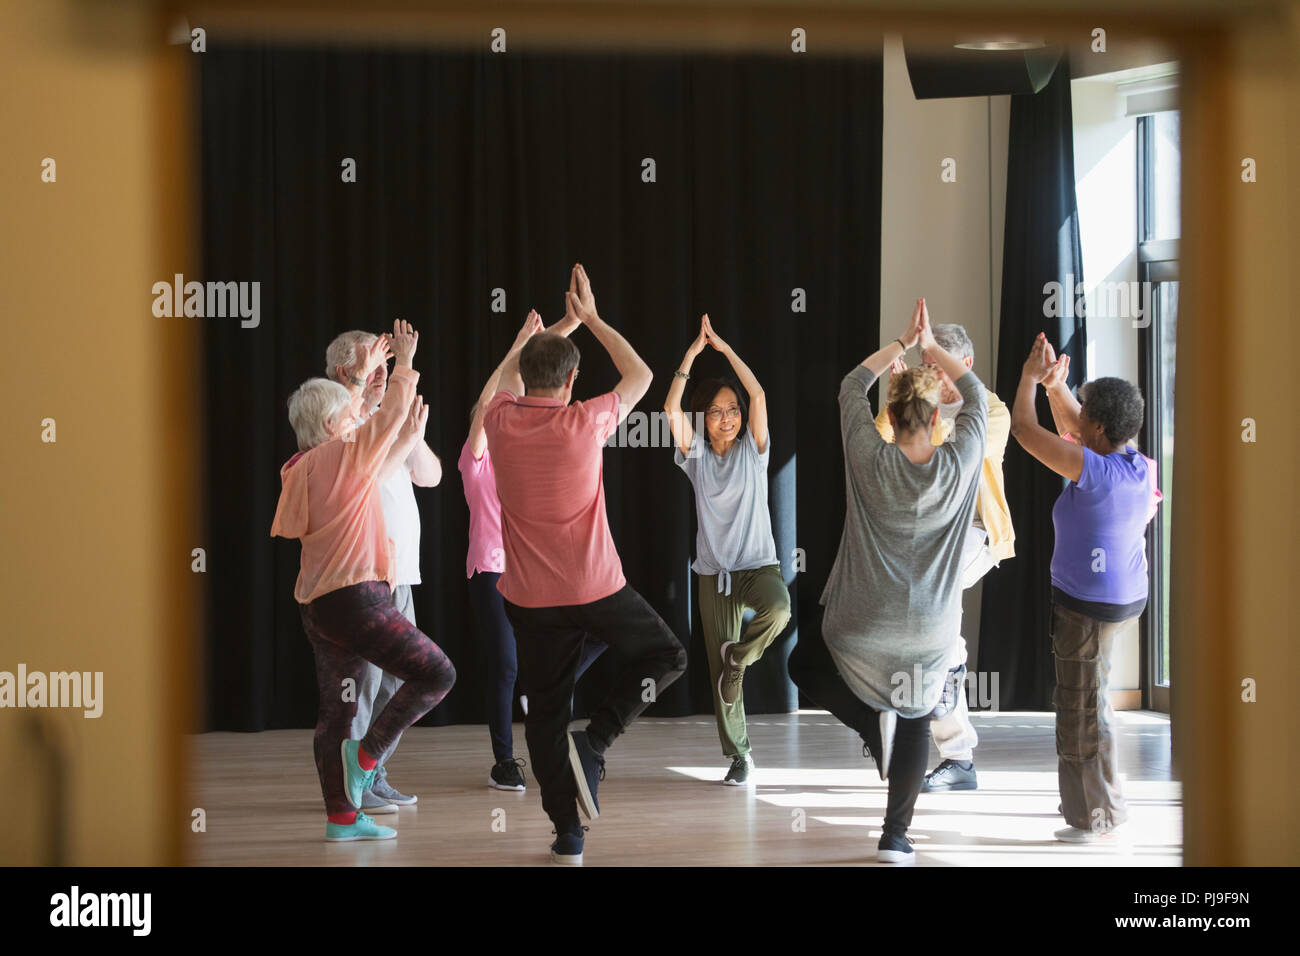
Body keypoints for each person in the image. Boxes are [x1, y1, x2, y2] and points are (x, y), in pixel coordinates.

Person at [483, 264, 687, 866]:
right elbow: (642, 375)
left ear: (524, 379)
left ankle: (567, 835)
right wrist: (590, 317)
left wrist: (531, 339)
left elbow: (500, 380)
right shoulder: (585, 422)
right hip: (596, 588)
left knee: (545, 711)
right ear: (573, 380)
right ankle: (594, 743)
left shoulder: (499, 421)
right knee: (668, 655)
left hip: (528, 598)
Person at [788, 298, 988, 864]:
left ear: (893, 416)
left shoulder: (868, 457)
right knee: (918, 715)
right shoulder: (960, 461)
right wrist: (932, 351)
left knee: (801, 665)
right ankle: (896, 837)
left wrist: (904, 343)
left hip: (858, 627)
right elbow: (974, 395)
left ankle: (873, 726)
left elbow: (852, 385)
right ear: (932, 419)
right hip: (931, 632)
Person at [272, 320, 456, 842]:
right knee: (437, 675)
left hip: (319, 606)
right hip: (359, 598)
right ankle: (367, 758)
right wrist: (402, 366)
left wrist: (385, 402)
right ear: (333, 425)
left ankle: (343, 820)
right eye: (348, 414)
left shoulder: (300, 465)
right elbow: (391, 416)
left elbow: (382, 448)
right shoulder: (346, 454)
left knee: (338, 711)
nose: (357, 417)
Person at [1010, 333, 1153, 844]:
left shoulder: (1093, 471)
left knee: (1082, 708)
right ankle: (1091, 800)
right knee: (1092, 698)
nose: (1078, 416)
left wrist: (1029, 379)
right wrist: (1057, 386)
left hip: (1088, 606)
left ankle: (1097, 817)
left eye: (1085, 410)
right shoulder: (1134, 463)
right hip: (1121, 597)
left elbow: (1025, 431)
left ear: (1098, 426)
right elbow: (1076, 426)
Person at [460, 306, 607, 792]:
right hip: (492, 571)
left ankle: (537, 688)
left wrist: (559, 332)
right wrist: (527, 340)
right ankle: (504, 759)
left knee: (603, 628)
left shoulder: (529, 446)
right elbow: (493, 400)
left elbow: (529, 382)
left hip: (539, 570)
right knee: (504, 664)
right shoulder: (477, 459)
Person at [874, 322, 1015, 792]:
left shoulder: (993, 411)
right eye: (926, 368)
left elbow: (955, 456)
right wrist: (899, 401)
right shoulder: (920, 404)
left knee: (936, 600)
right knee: (922, 617)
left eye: (939, 368)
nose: (932, 377)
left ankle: (957, 751)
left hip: (976, 533)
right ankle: (951, 749)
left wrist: (920, 417)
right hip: (927, 537)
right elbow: (881, 446)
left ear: (966, 367)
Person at [664, 314, 790, 786]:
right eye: (717, 411)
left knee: (778, 612)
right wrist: (692, 357)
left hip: (759, 566)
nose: (729, 417)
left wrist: (724, 349)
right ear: (704, 419)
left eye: (731, 409)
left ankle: (741, 658)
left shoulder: (754, 452)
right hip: (713, 574)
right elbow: (670, 408)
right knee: (719, 674)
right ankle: (740, 757)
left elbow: (757, 395)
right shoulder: (695, 455)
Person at [323, 329, 442, 812]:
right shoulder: (334, 418)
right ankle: (352, 790)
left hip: (402, 574)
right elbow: (361, 475)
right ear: (343, 374)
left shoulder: (388, 414)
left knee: (399, 681)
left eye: (384, 369)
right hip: (363, 573)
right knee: (364, 686)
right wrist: (377, 405)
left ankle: (371, 773)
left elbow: (430, 476)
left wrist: (405, 425)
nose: (381, 378)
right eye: (372, 368)